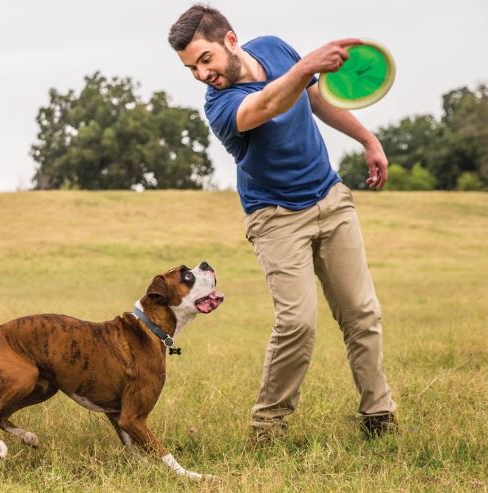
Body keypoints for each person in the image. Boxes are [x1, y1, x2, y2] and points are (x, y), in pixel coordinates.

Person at [166, 4, 397, 440]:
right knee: (297, 324)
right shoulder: (219, 105)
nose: (201, 74)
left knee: (362, 313)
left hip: (330, 198)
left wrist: (368, 139)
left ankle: (378, 416)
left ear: (230, 41)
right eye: (191, 68)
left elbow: (313, 98)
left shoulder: (273, 48)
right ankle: (267, 426)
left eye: (205, 60)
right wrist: (308, 64)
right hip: (275, 217)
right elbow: (270, 102)